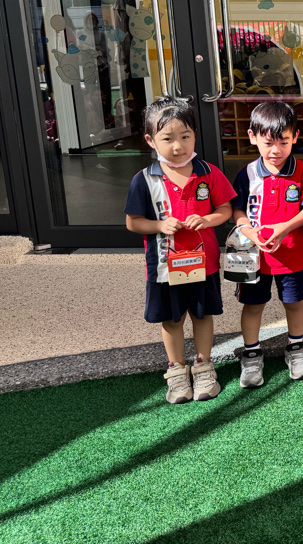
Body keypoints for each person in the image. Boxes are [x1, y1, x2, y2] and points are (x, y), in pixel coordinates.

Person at [124, 96, 235, 403]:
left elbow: (225, 209)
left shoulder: (209, 172)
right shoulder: (144, 180)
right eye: (167, 138)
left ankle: (204, 366)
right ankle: (176, 369)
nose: (178, 146)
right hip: (164, 266)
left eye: (185, 136)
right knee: (172, 319)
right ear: (150, 140)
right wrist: (160, 225)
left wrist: (207, 219)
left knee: (202, 314)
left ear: (195, 136)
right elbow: (133, 222)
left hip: (204, 263)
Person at [230, 101, 303, 388]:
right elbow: (237, 211)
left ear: (296, 137)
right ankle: (252, 354)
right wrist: (251, 234)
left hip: (292, 256)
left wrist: (284, 228)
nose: (276, 150)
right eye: (268, 143)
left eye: (284, 142)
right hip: (251, 256)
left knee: (294, 302)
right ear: (252, 137)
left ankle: (296, 348)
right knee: (253, 305)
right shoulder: (247, 174)